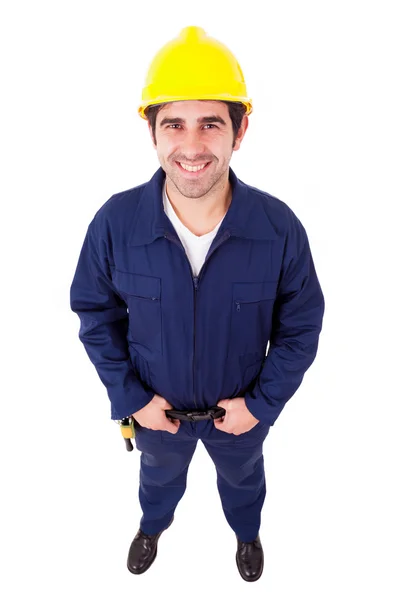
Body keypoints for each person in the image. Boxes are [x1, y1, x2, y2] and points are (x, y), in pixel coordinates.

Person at [70, 25, 325, 582]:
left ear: (240, 130)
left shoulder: (278, 228)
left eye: (210, 123)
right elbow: (95, 314)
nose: (191, 145)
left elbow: (301, 326)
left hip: (241, 414)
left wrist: (260, 406)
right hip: (156, 412)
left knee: (244, 480)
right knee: (157, 480)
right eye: (174, 124)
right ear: (152, 132)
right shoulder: (116, 224)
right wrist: (131, 398)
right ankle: (152, 527)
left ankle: (247, 535)